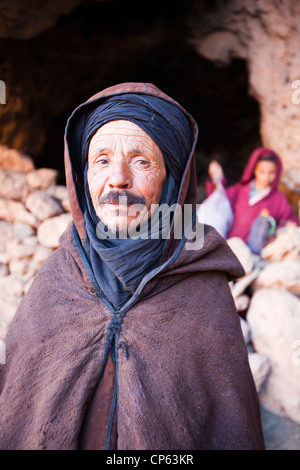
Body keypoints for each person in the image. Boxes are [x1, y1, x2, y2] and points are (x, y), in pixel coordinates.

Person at [0, 82, 265, 450]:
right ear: (83, 177)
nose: (118, 178)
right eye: (102, 161)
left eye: (141, 162)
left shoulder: (203, 289)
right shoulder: (57, 278)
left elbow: (228, 425)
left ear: (172, 180)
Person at [206, 148, 298, 253]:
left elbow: (288, 221)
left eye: (271, 172)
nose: (266, 176)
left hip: (254, 252)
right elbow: (219, 202)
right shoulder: (240, 190)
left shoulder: (279, 199)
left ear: (277, 173)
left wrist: (279, 231)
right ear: (254, 170)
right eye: (262, 172)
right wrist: (216, 179)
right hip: (230, 244)